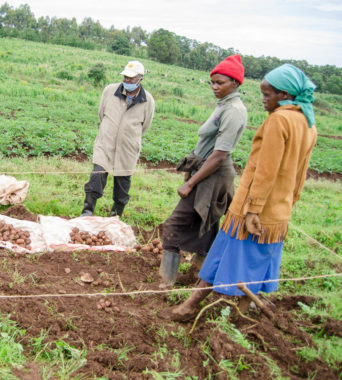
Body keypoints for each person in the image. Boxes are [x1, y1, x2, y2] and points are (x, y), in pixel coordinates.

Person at [160, 64, 318, 321]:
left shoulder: (279, 120)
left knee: (223, 253)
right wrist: (289, 204)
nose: (264, 101)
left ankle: (190, 305)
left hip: (252, 208)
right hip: (278, 211)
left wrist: (252, 209)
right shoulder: (309, 124)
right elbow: (301, 175)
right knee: (258, 261)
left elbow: (265, 171)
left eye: (268, 96)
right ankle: (241, 313)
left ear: (285, 94)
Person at [159, 55, 248, 287]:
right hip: (208, 170)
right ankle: (200, 274)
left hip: (213, 174)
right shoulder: (224, 105)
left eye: (221, 82)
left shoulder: (234, 110)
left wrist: (190, 184)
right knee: (205, 225)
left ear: (236, 83)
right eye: (213, 82)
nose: (215, 87)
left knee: (174, 225)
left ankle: (166, 282)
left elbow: (218, 155)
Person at [80, 60, 155, 218]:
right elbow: (101, 114)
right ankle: (87, 213)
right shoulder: (110, 91)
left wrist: (127, 135)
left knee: (122, 187)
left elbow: (145, 126)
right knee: (96, 177)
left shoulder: (147, 100)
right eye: (125, 77)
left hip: (128, 148)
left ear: (140, 78)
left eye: (131, 78)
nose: (127, 80)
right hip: (105, 143)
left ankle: (115, 217)